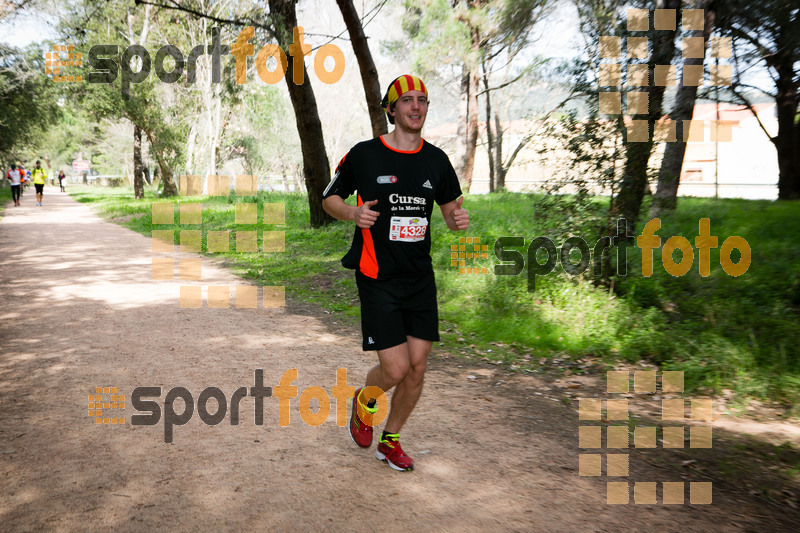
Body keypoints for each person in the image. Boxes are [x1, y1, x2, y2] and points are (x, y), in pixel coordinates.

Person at [322, 74, 469, 471]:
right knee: (396, 368)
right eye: (407, 100)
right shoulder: (365, 154)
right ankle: (364, 401)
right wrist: (353, 212)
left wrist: (458, 220)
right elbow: (328, 198)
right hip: (377, 275)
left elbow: (451, 212)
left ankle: (391, 440)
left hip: (419, 277)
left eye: (422, 100)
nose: (416, 107)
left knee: (418, 367)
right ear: (391, 109)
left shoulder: (436, 160)